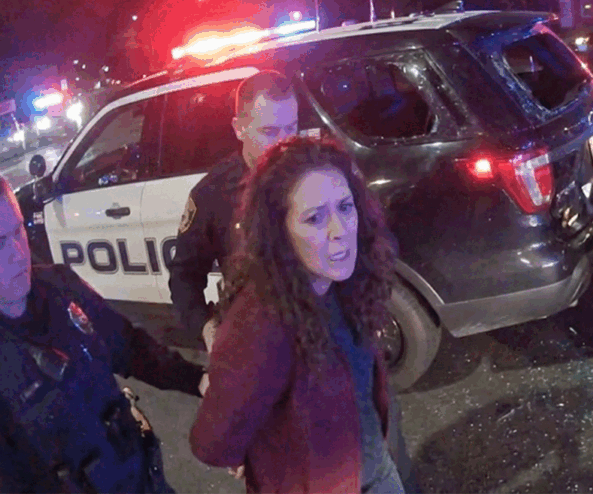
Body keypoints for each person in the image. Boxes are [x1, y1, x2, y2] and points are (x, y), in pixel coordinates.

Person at [190, 136, 409, 493]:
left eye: (345, 207)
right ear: (281, 231)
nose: (340, 231)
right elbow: (212, 443)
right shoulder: (261, 323)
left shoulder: (346, 282)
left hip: (375, 470)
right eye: (314, 218)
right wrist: (254, 447)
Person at [0, 174, 205, 493]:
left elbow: (131, 348)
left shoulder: (59, 287)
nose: (16, 252)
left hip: (142, 479)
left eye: (18, 230)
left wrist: (199, 380)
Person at [168, 69, 299, 346]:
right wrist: (208, 330)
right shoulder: (212, 194)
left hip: (318, 331)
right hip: (258, 340)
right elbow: (184, 277)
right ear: (239, 128)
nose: (284, 143)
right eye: (269, 131)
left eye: (291, 128)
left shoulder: (314, 172)